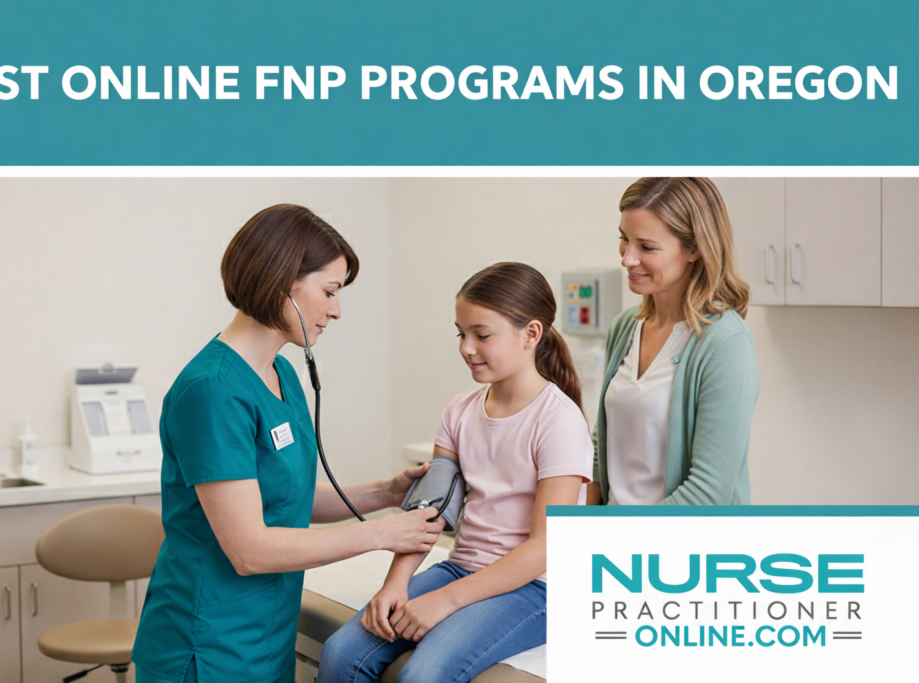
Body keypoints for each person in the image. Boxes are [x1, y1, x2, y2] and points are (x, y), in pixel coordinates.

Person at [131, 204, 445, 683]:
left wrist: (385, 493)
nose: (336, 310)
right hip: (207, 644)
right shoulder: (213, 391)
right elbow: (249, 548)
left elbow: (283, 500)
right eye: (329, 292)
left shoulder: (281, 374)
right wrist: (380, 534)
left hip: (266, 638)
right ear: (284, 282)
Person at [318, 262, 593, 683]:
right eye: (461, 333)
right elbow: (429, 512)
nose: (466, 347)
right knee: (341, 653)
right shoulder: (460, 411)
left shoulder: (560, 421)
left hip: (536, 588)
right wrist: (395, 585)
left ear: (531, 334)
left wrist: (445, 601)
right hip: (461, 567)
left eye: (481, 335)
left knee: (423, 675)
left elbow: (544, 549)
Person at [585, 177, 759, 506]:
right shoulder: (624, 328)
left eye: (647, 247)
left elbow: (708, 494)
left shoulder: (725, 343)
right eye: (624, 239)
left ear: (694, 248)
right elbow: (602, 451)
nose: (627, 259)